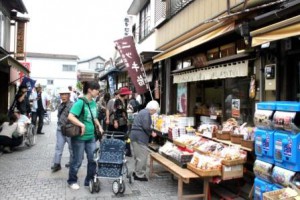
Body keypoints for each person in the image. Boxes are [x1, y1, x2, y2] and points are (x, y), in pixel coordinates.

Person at [67, 81, 104, 190]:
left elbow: (94, 117)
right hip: (79, 138)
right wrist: (82, 124)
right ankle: (72, 180)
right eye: (96, 89)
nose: (98, 91)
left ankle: (89, 180)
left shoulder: (93, 102)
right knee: (78, 160)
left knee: (92, 160)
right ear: (89, 90)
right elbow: (70, 116)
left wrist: (99, 126)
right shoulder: (80, 102)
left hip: (91, 137)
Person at [130, 100, 160, 181]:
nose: (154, 113)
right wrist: (151, 133)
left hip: (135, 136)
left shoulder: (142, 111)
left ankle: (136, 171)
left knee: (137, 156)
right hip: (140, 137)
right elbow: (146, 126)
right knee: (142, 156)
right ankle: (139, 175)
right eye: (155, 111)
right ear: (153, 109)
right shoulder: (146, 114)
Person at [51, 88, 74, 172]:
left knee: (71, 147)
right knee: (58, 147)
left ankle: (72, 162)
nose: (63, 96)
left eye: (65, 94)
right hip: (60, 129)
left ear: (69, 95)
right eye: (62, 94)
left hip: (69, 129)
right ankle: (57, 164)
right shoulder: (60, 105)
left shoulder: (72, 105)